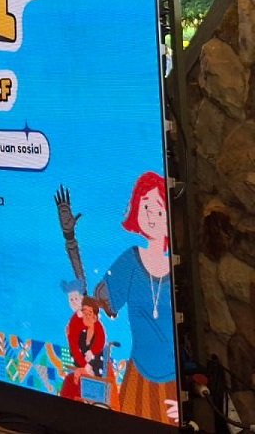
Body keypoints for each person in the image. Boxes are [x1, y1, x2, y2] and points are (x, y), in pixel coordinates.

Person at [94, 171, 177, 424]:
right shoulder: (130, 261)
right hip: (138, 377)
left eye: (158, 208)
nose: (151, 215)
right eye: (145, 206)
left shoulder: (179, 266)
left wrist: (187, 399)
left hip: (175, 381)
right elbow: (100, 301)